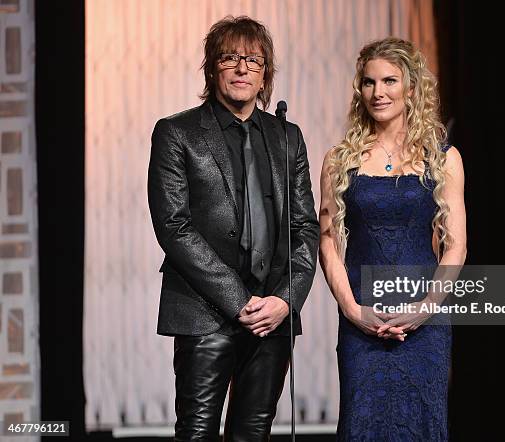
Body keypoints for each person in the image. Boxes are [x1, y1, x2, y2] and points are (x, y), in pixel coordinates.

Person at [147, 16, 319, 441]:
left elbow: (305, 227)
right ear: (212, 68)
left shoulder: (287, 137)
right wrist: (238, 301)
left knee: (254, 432)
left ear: (265, 75)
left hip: (272, 317)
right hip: (204, 311)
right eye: (230, 58)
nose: (242, 69)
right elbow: (174, 226)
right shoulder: (177, 133)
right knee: (197, 431)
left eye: (253, 60)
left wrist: (285, 299)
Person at [319, 37, 466, 441]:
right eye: (368, 82)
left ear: (411, 88)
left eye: (389, 81)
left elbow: (456, 246)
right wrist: (352, 310)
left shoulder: (443, 157)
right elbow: (327, 242)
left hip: (425, 323)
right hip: (361, 320)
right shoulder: (338, 159)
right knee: (361, 425)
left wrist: (424, 310)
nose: (378, 92)